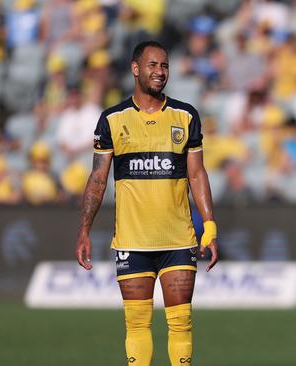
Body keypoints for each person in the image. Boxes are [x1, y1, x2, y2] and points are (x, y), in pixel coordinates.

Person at [74, 41, 219, 366]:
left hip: (179, 239)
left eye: (165, 66)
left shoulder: (185, 115)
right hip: (132, 240)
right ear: (135, 68)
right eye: (153, 65)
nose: (160, 72)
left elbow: (197, 175)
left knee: (181, 323)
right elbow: (98, 178)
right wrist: (84, 229)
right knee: (137, 324)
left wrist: (209, 226)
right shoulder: (112, 119)